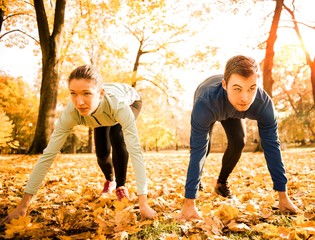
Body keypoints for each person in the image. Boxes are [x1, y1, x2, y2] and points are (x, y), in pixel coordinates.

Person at [2, 65, 157, 223]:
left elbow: (136, 152)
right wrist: (23, 205)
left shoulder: (118, 107)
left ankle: (121, 186)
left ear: (100, 93)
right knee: (102, 153)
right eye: (73, 94)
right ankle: (110, 180)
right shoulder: (71, 113)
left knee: (116, 135)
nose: (79, 102)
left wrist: (143, 203)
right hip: (99, 110)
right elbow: (48, 155)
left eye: (86, 93)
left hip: (131, 101)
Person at [179, 55, 299, 221]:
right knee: (203, 148)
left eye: (251, 89)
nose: (245, 97)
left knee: (238, 142)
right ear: (225, 85)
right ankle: (196, 183)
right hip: (213, 105)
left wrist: (283, 196)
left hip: (232, 111)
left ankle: (221, 183)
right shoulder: (205, 102)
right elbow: (197, 150)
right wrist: (189, 203)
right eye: (237, 88)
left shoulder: (263, 104)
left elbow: (272, 147)